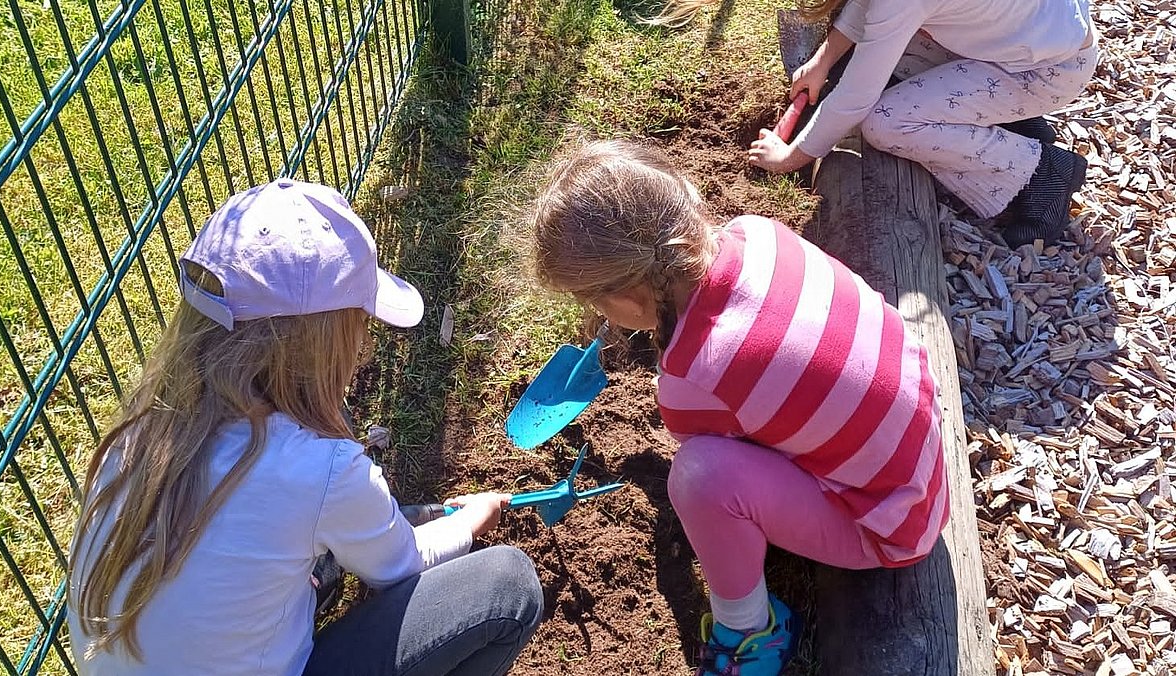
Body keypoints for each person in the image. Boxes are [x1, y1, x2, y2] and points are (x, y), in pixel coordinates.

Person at [67, 179, 543, 676]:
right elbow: (401, 566)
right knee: (507, 589)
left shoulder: (141, 432)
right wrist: (472, 518)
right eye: (360, 325)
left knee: (321, 559)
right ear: (322, 344)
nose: (363, 345)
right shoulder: (320, 467)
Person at [531, 141, 949, 675]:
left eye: (591, 302)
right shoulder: (757, 233)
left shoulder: (692, 379)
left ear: (629, 298)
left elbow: (716, 460)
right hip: (916, 446)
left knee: (702, 479)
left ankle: (748, 631)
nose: (593, 314)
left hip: (890, 525)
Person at [656, 0, 1097, 249]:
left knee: (887, 122)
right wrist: (821, 61)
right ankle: (1014, 123)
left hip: (1042, 70)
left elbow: (856, 99)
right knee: (871, 59)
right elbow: (867, 9)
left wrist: (792, 155)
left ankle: (1040, 171)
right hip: (1022, 40)